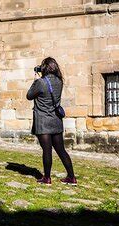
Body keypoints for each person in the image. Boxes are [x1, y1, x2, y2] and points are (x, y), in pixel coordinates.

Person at [26, 57, 77, 185]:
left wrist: (35, 79)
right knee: (61, 150)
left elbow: (29, 95)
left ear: (44, 68)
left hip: (43, 121)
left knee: (47, 150)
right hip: (56, 120)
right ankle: (71, 177)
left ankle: (47, 178)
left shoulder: (41, 82)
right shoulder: (59, 81)